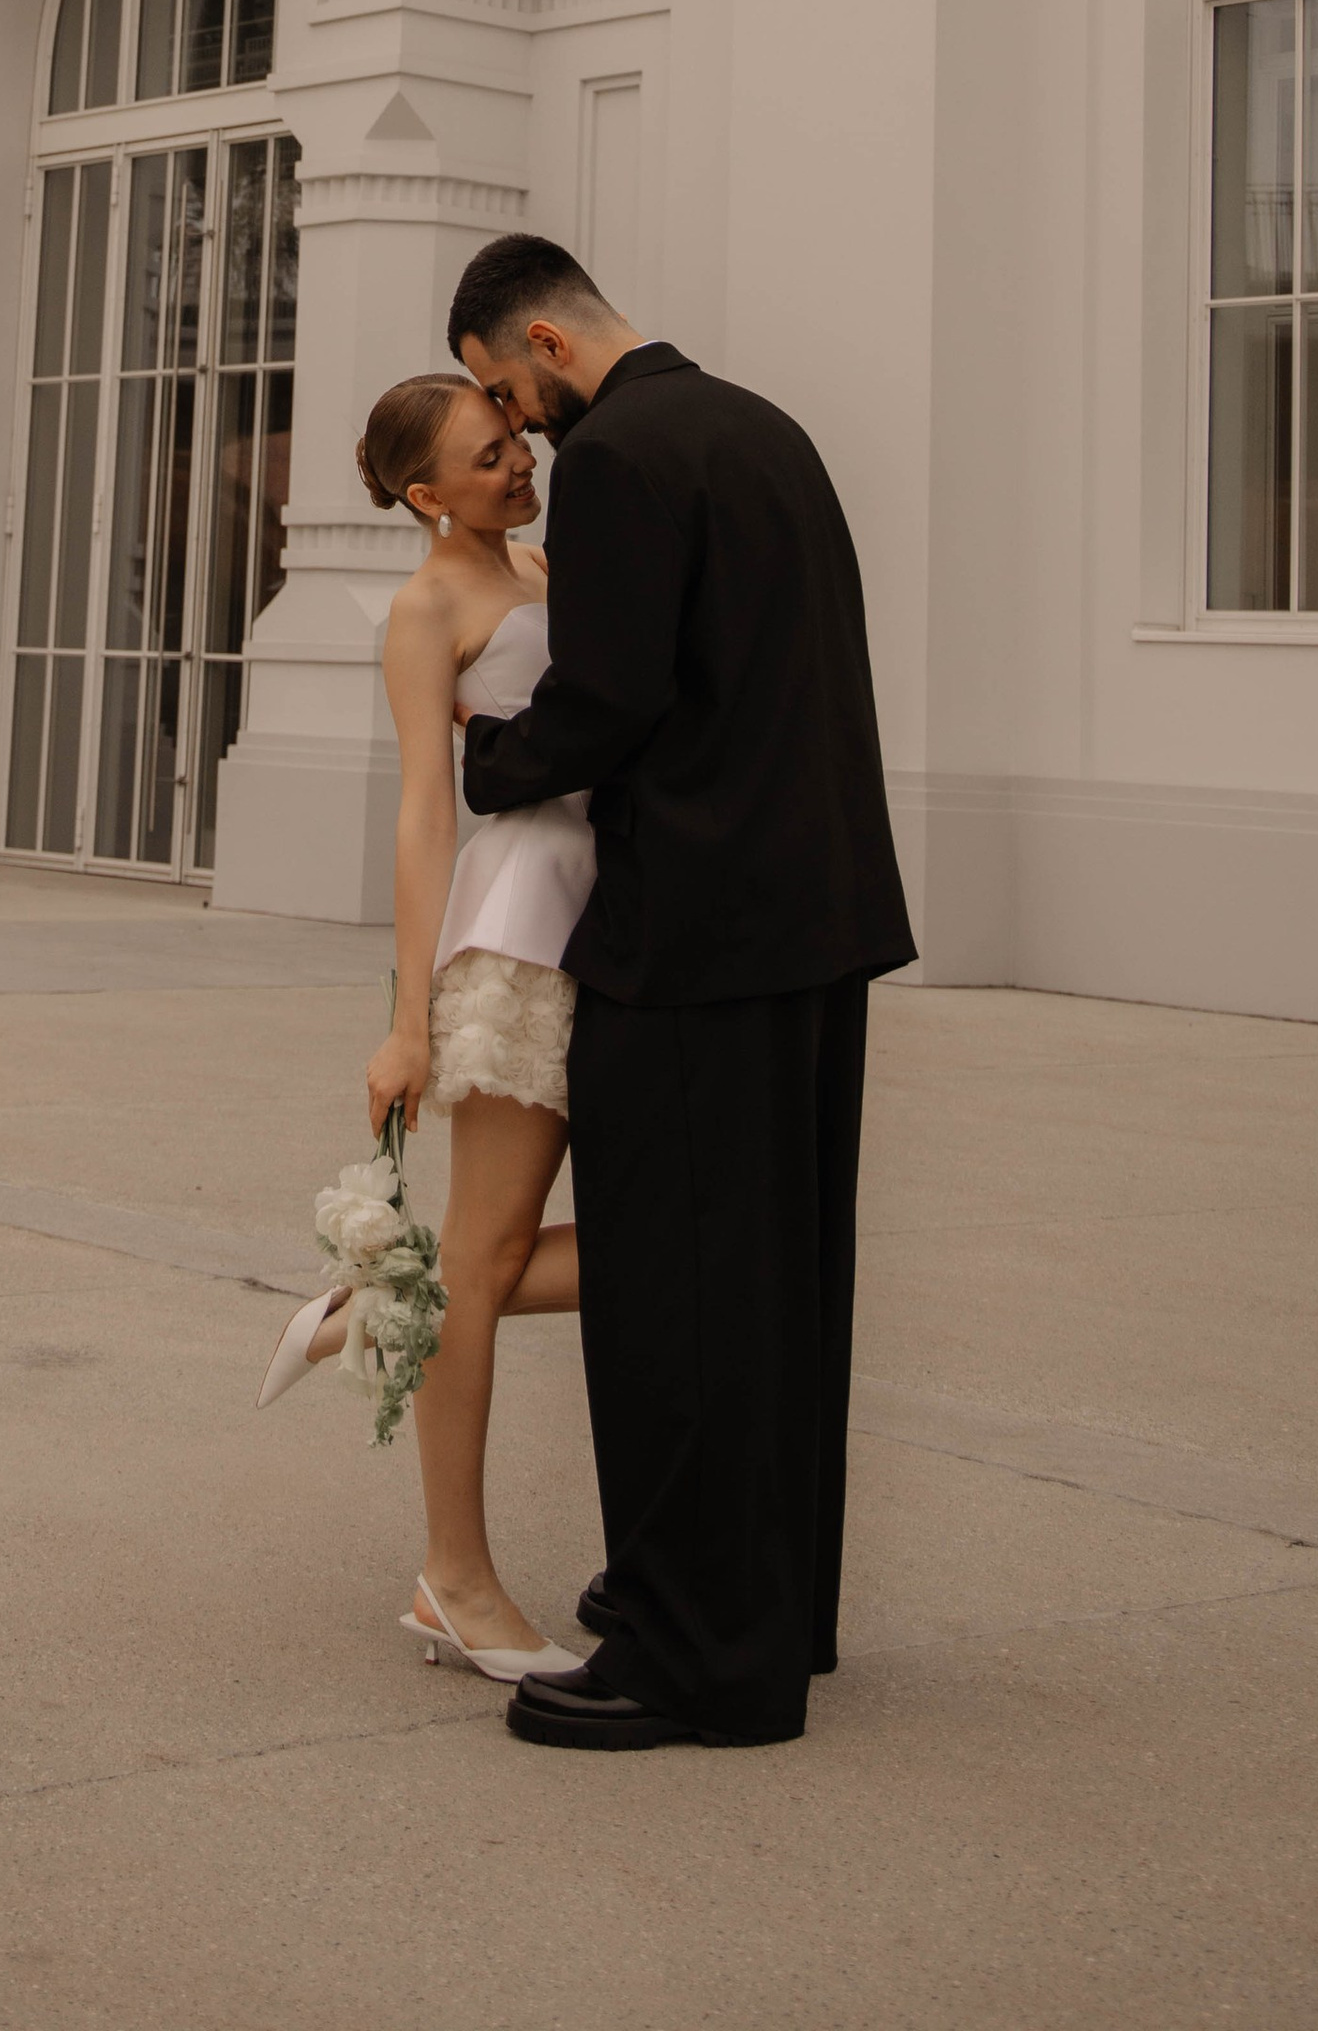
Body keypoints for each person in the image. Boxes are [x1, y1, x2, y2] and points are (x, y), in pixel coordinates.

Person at [447, 233, 916, 1753]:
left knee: (674, 1293)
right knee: (779, 1280)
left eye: (499, 388)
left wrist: (495, 761)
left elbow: (615, 692)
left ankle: (696, 1657)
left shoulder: (625, 457)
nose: (512, 423)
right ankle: (769, 1610)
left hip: (696, 932)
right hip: (816, 918)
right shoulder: (763, 427)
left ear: (541, 337)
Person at [254, 367, 585, 1682]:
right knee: (488, 1256)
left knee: (658, 1244)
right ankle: (455, 1580)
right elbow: (423, 815)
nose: (517, 461)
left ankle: (382, 1306)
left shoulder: (560, 566)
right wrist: (409, 1021)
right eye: (484, 454)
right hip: (512, 934)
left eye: (513, 439)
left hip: (613, 923)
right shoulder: (426, 605)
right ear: (421, 493)